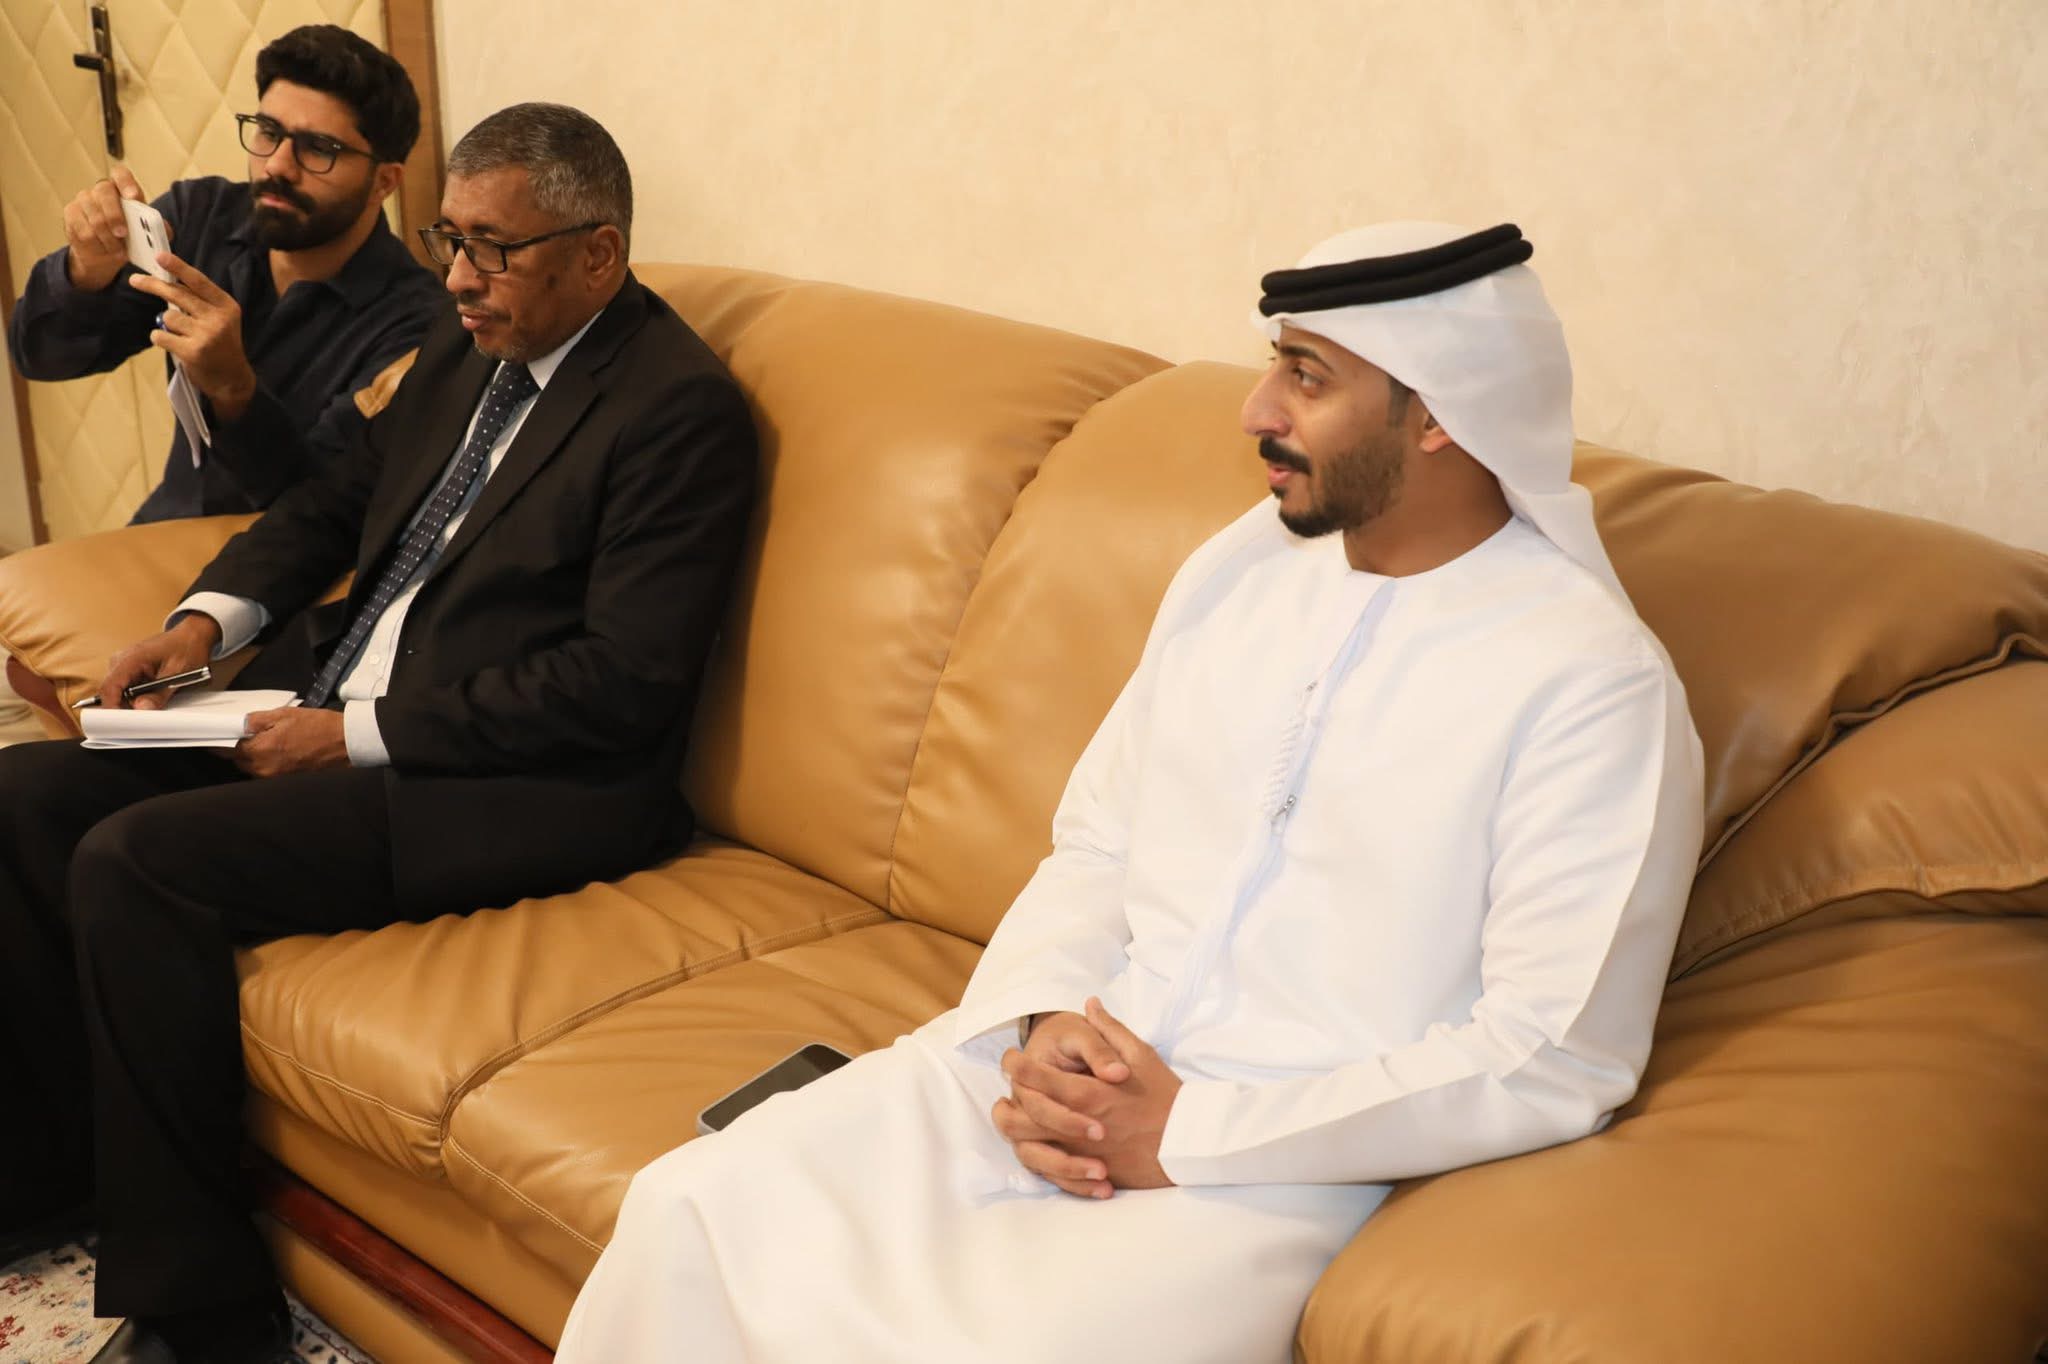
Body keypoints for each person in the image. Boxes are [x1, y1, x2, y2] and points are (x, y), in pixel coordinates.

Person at [552, 222, 1707, 1364]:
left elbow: (1552, 1050)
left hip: (1272, 1161)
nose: (1256, 410)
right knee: (688, 1206)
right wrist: (1043, 1018)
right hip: (1045, 1067)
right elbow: (1099, 841)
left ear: (1441, 411)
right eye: (1272, 365)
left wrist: (1184, 1129)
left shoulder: (1587, 682)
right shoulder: (1240, 570)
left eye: (1306, 378)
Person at [0, 102, 757, 1364]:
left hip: (506, 779)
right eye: (449, 239)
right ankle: (53, 1169)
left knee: (138, 862)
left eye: (492, 250)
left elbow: (620, 680)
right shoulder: (468, 342)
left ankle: (206, 1309)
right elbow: (330, 502)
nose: (456, 277)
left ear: (598, 253)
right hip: (329, 693)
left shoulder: (676, 410)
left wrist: (353, 734)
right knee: (25, 795)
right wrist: (199, 625)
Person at [5, 24, 444, 522]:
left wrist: (235, 389)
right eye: (269, 132)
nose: (277, 166)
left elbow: (324, 512)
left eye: (319, 148)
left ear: (384, 181)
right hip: (166, 525)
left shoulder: (414, 328)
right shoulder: (200, 217)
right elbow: (40, 357)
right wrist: (86, 270)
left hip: (280, 557)